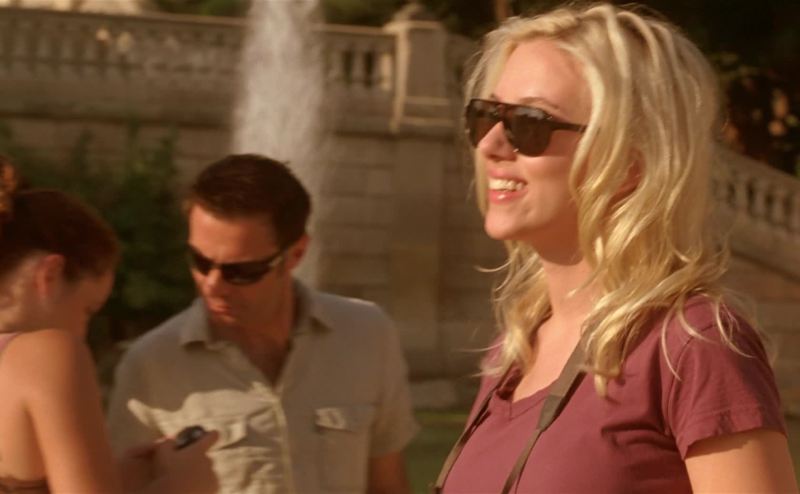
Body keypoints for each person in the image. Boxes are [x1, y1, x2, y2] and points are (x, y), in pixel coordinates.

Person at [435, 4, 798, 493]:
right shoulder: (515, 349)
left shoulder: (693, 346)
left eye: (529, 123)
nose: (490, 145)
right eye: (486, 116)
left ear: (630, 160)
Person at [107, 154, 419, 494]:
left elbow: (388, 485)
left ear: (296, 253)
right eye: (200, 261)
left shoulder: (367, 334)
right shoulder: (150, 364)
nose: (213, 284)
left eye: (240, 271)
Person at [0, 157, 218, 494]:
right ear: (50, 274)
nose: (83, 331)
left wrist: (114, 479)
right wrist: (184, 483)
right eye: (88, 309)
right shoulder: (48, 354)